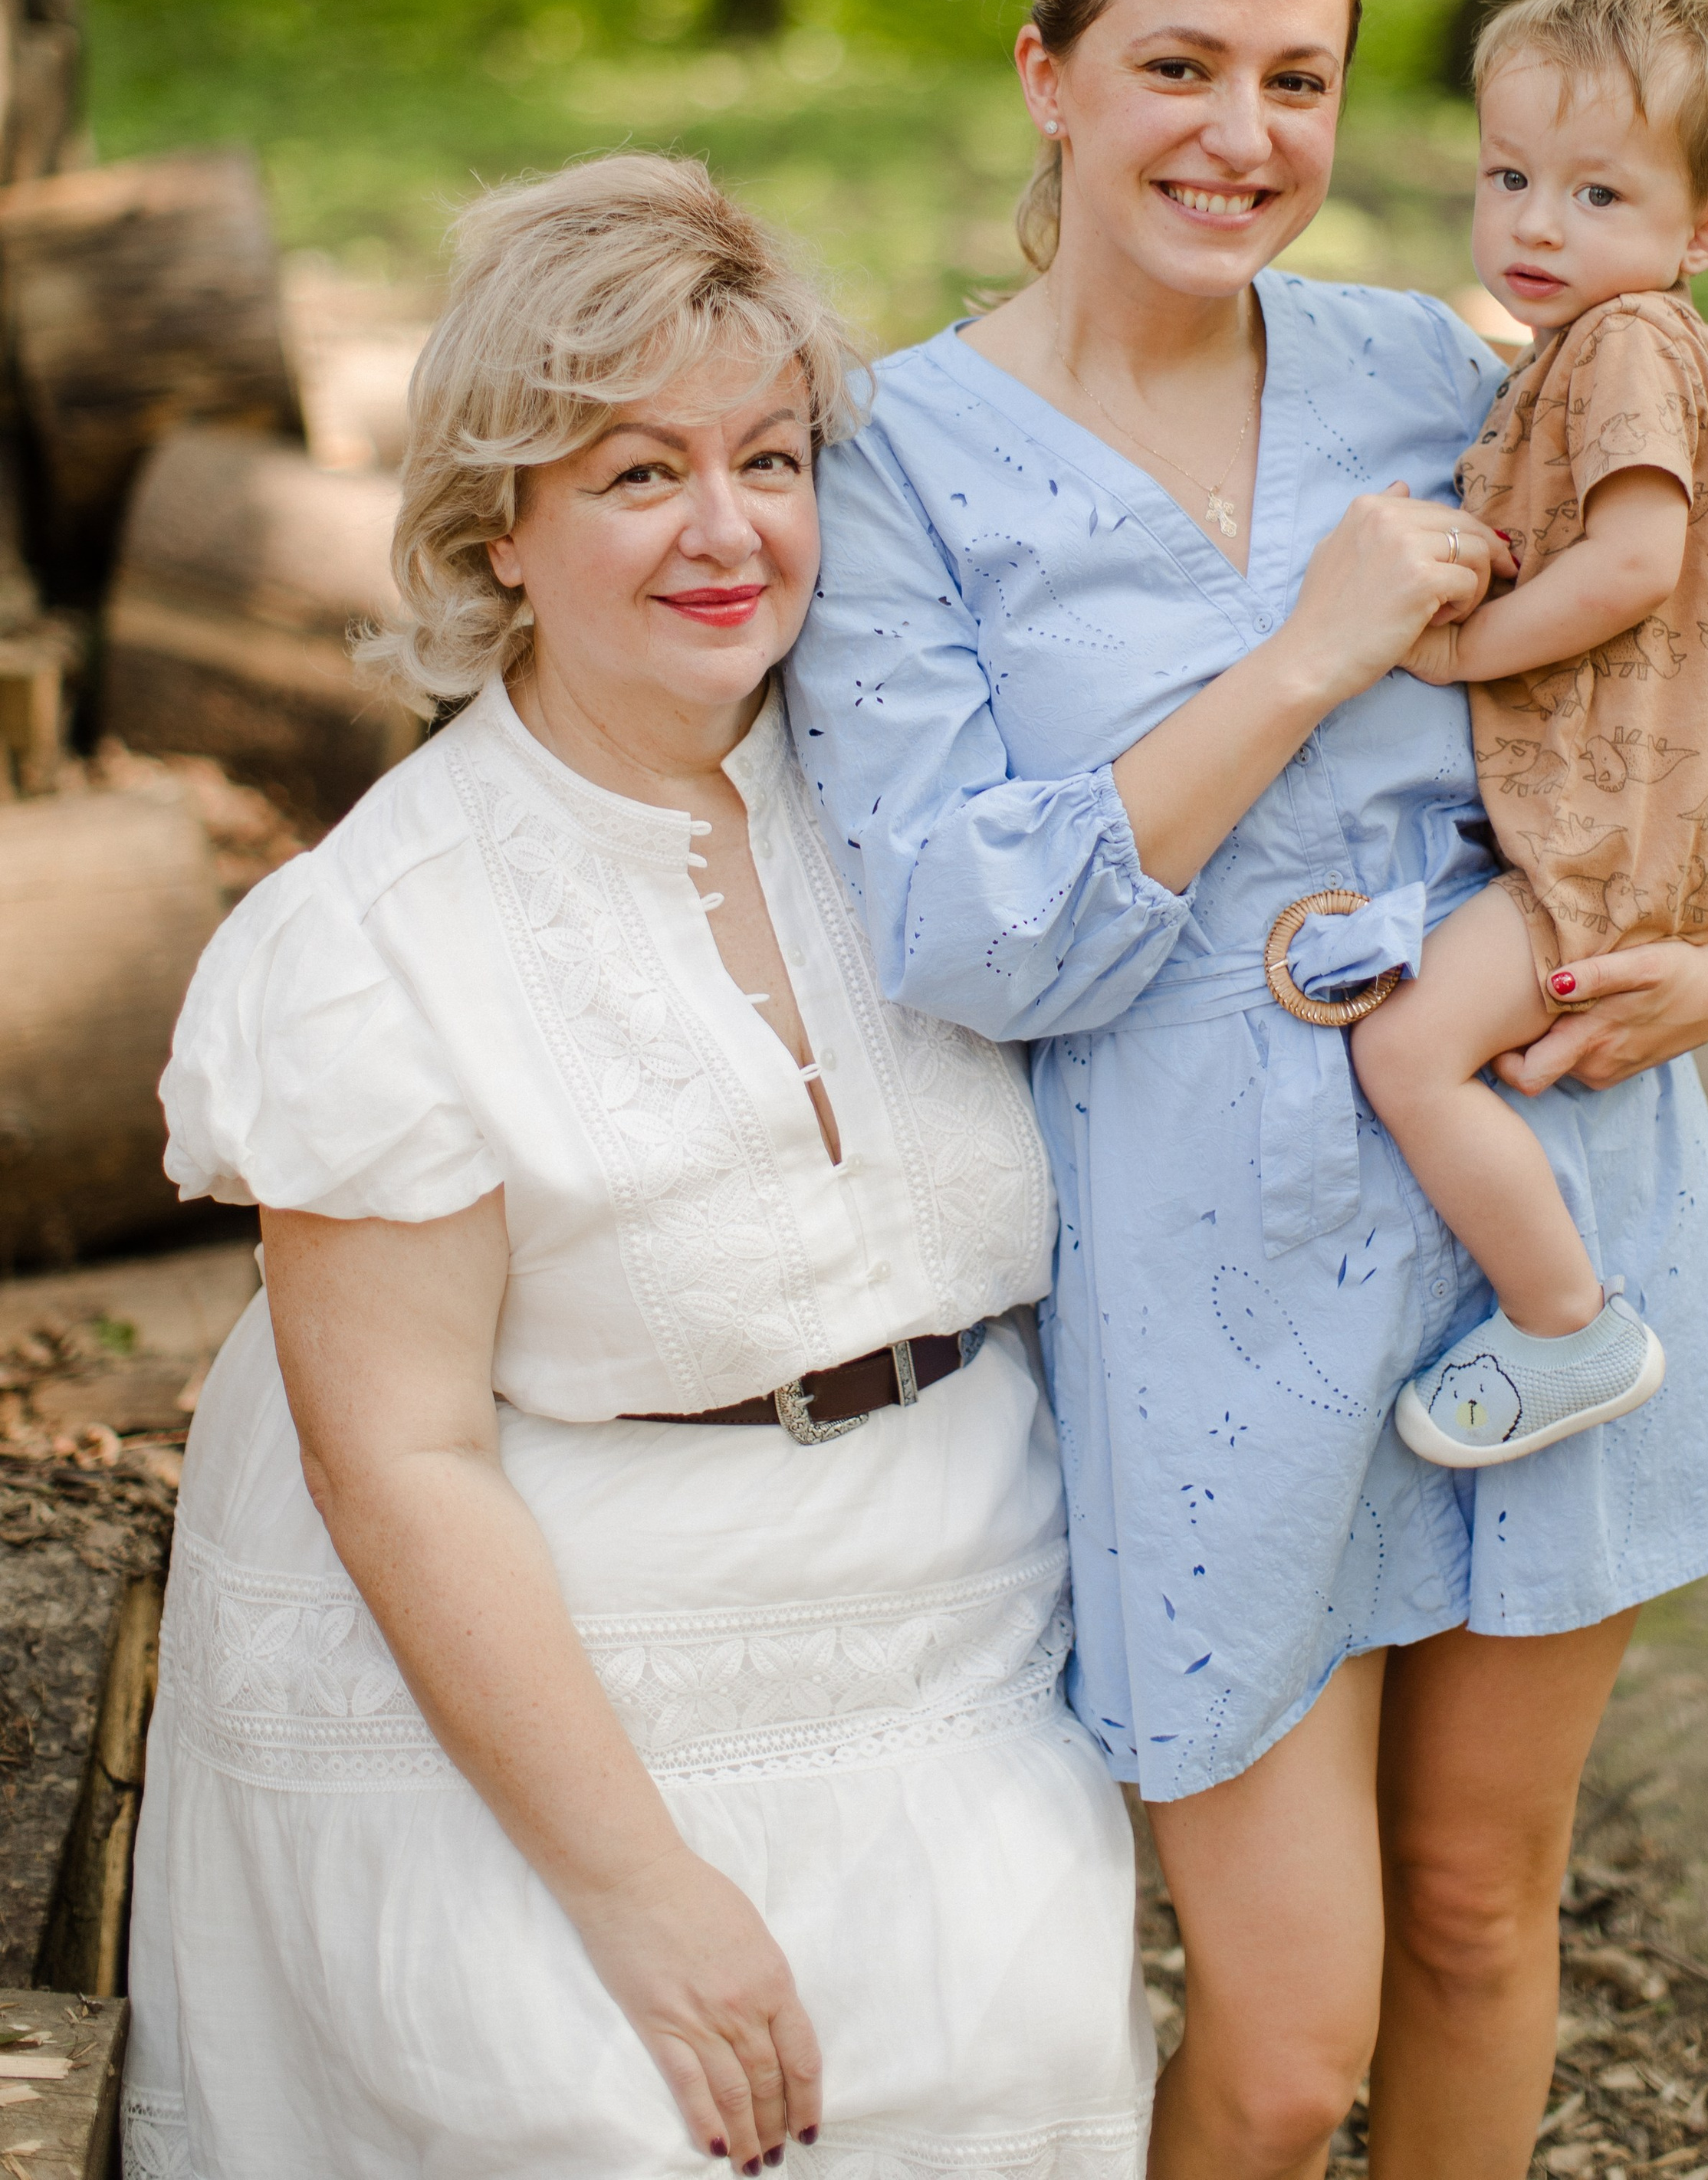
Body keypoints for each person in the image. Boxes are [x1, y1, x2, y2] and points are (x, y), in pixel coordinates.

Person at [781, 0, 1708, 2180]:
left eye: (1298, 76)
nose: (1242, 135)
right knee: (1278, 2050)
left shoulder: (1443, 371)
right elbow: (969, 933)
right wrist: (1303, 661)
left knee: (1480, 1918)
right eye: (1179, 62)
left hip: (1541, 1231)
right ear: (1051, 75)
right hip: (1204, 1282)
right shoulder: (904, 463)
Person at [122, 158, 1153, 2180]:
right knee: (596, 2121)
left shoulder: (932, 811)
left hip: (960, 1663)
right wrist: (643, 1902)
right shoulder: (377, 939)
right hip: (562, 1727)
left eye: (769, 460)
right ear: (496, 528)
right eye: (637, 476)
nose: (728, 530)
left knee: (1020, 2095)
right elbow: (394, 1458)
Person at [1348, 0, 1708, 1469]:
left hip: (1607, 834)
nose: (1534, 224)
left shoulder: (1616, 343)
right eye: (1507, 176)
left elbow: (1631, 560)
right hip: (1619, 824)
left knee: (1403, 1055)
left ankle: (1564, 1323)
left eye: (1597, 195)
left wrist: (1457, 651)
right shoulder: (1598, 343)